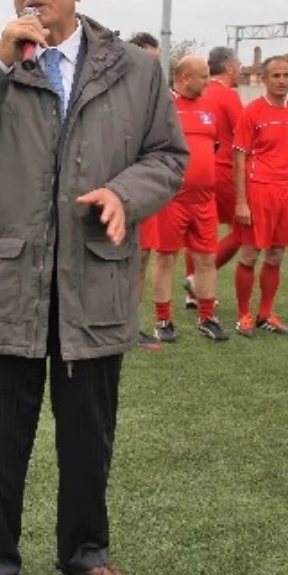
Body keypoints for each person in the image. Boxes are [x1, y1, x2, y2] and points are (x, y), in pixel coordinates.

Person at [0, 0, 186, 575]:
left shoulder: (136, 69)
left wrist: (126, 193)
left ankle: (86, 554)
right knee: (0, 440)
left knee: (88, 439)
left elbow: (167, 157)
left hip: (92, 278)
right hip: (8, 277)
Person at [152, 56, 228, 342]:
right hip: (173, 198)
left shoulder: (210, 107)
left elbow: (214, 145)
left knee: (207, 258)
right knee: (166, 257)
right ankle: (163, 320)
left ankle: (207, 317)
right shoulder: (165, 107)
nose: (208, 82)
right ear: (184, 77)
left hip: (205, 199)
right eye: (204, 77)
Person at [231, 56, 288, 337]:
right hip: (259, 189)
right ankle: (244, 314)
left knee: (276, 254)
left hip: (286, 192)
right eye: (276, 76)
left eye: (286, 75)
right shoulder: (252, 112)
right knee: (250, 253)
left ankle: (266, 313)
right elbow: (239, 158)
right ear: (264, 80)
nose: (282, 81)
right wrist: (241, 201)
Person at [180, 46, 242, 308]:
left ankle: (192, 293)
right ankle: (196, 280)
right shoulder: (227, 95)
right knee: (243, 231)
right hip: (224, 170)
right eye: (239, 66)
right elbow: (246, 135)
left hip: (199, 170)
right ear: (229, 67)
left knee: (198, 232)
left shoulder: (201, 94)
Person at [127, 33, 166, 351]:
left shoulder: (159, 99)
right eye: (149, 60)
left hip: (145, 192)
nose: (154, 67)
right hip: (109, 192)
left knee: (141, 258)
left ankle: (130, 325)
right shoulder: (113, 93)